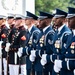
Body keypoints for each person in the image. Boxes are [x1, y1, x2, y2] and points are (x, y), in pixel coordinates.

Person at [53, 7, 75, 75]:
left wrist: (62, 64)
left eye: (71, 18)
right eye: (68, 18)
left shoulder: (67, 33)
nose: (68, 20)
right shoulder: (71, 35)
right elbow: (66, 53)